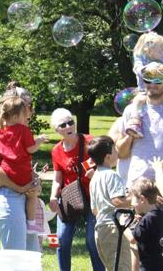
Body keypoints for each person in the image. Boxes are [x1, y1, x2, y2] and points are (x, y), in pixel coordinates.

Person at [0, 82, 41, 252]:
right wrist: (21, 187)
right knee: (15, 258)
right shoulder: (0, 133)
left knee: (32, 257)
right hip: (9, 198)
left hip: (23, 198)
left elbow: (20, 164)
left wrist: (34, 180)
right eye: (28, 106)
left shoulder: (22, 131)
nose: (31, 110)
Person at [48, 108, 103, 271]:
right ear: (57, 130)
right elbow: (58, 177)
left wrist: (97, 173)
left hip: (93, 198)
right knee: (61, 239)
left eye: (70, 122)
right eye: (63, 124)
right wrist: (52, 197)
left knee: (92, 241)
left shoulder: (90, 141)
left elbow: (108, 163)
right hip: (70, 198)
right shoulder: (56, 150)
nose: (68, 126)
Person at [87, 135, 131, 271]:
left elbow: (94, 210)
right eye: (115, 150)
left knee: (112, 267)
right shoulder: (111, 175)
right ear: (107, 157)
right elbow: (117, 201)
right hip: (114, 228)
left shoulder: (95, 177)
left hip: (100, 229)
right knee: (122, 266)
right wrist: (134, 199)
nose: (118, 153)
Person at [125, 32, 163, 137]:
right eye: (160, 49)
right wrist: (148, 69)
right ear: (149, 51)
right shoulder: (141, 59)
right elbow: (137, 68)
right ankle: (135, 123)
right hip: (145, 90)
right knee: (137, 101)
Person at [124, 177, 163, 271]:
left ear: (142, 199)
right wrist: (141, 221)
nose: (132, 203)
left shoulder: (148, 219)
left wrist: (123, 224)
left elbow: (132, 239)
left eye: (133, 199)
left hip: (149, 267)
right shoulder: (160, 213)